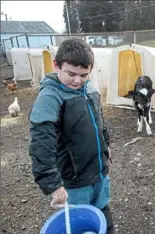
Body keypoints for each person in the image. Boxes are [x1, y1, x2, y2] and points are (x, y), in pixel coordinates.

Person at [28, 37, 116, 233]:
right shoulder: (50, 97)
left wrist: (105, 144)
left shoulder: (89, 88)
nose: (78, 80)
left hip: (98, 171)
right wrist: (52, 183)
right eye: (71, 73)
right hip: (74, 182)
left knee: (103, 214)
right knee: (76, 223)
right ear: (56, 65)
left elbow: (99, 120)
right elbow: (41, 143)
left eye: (84, 74)